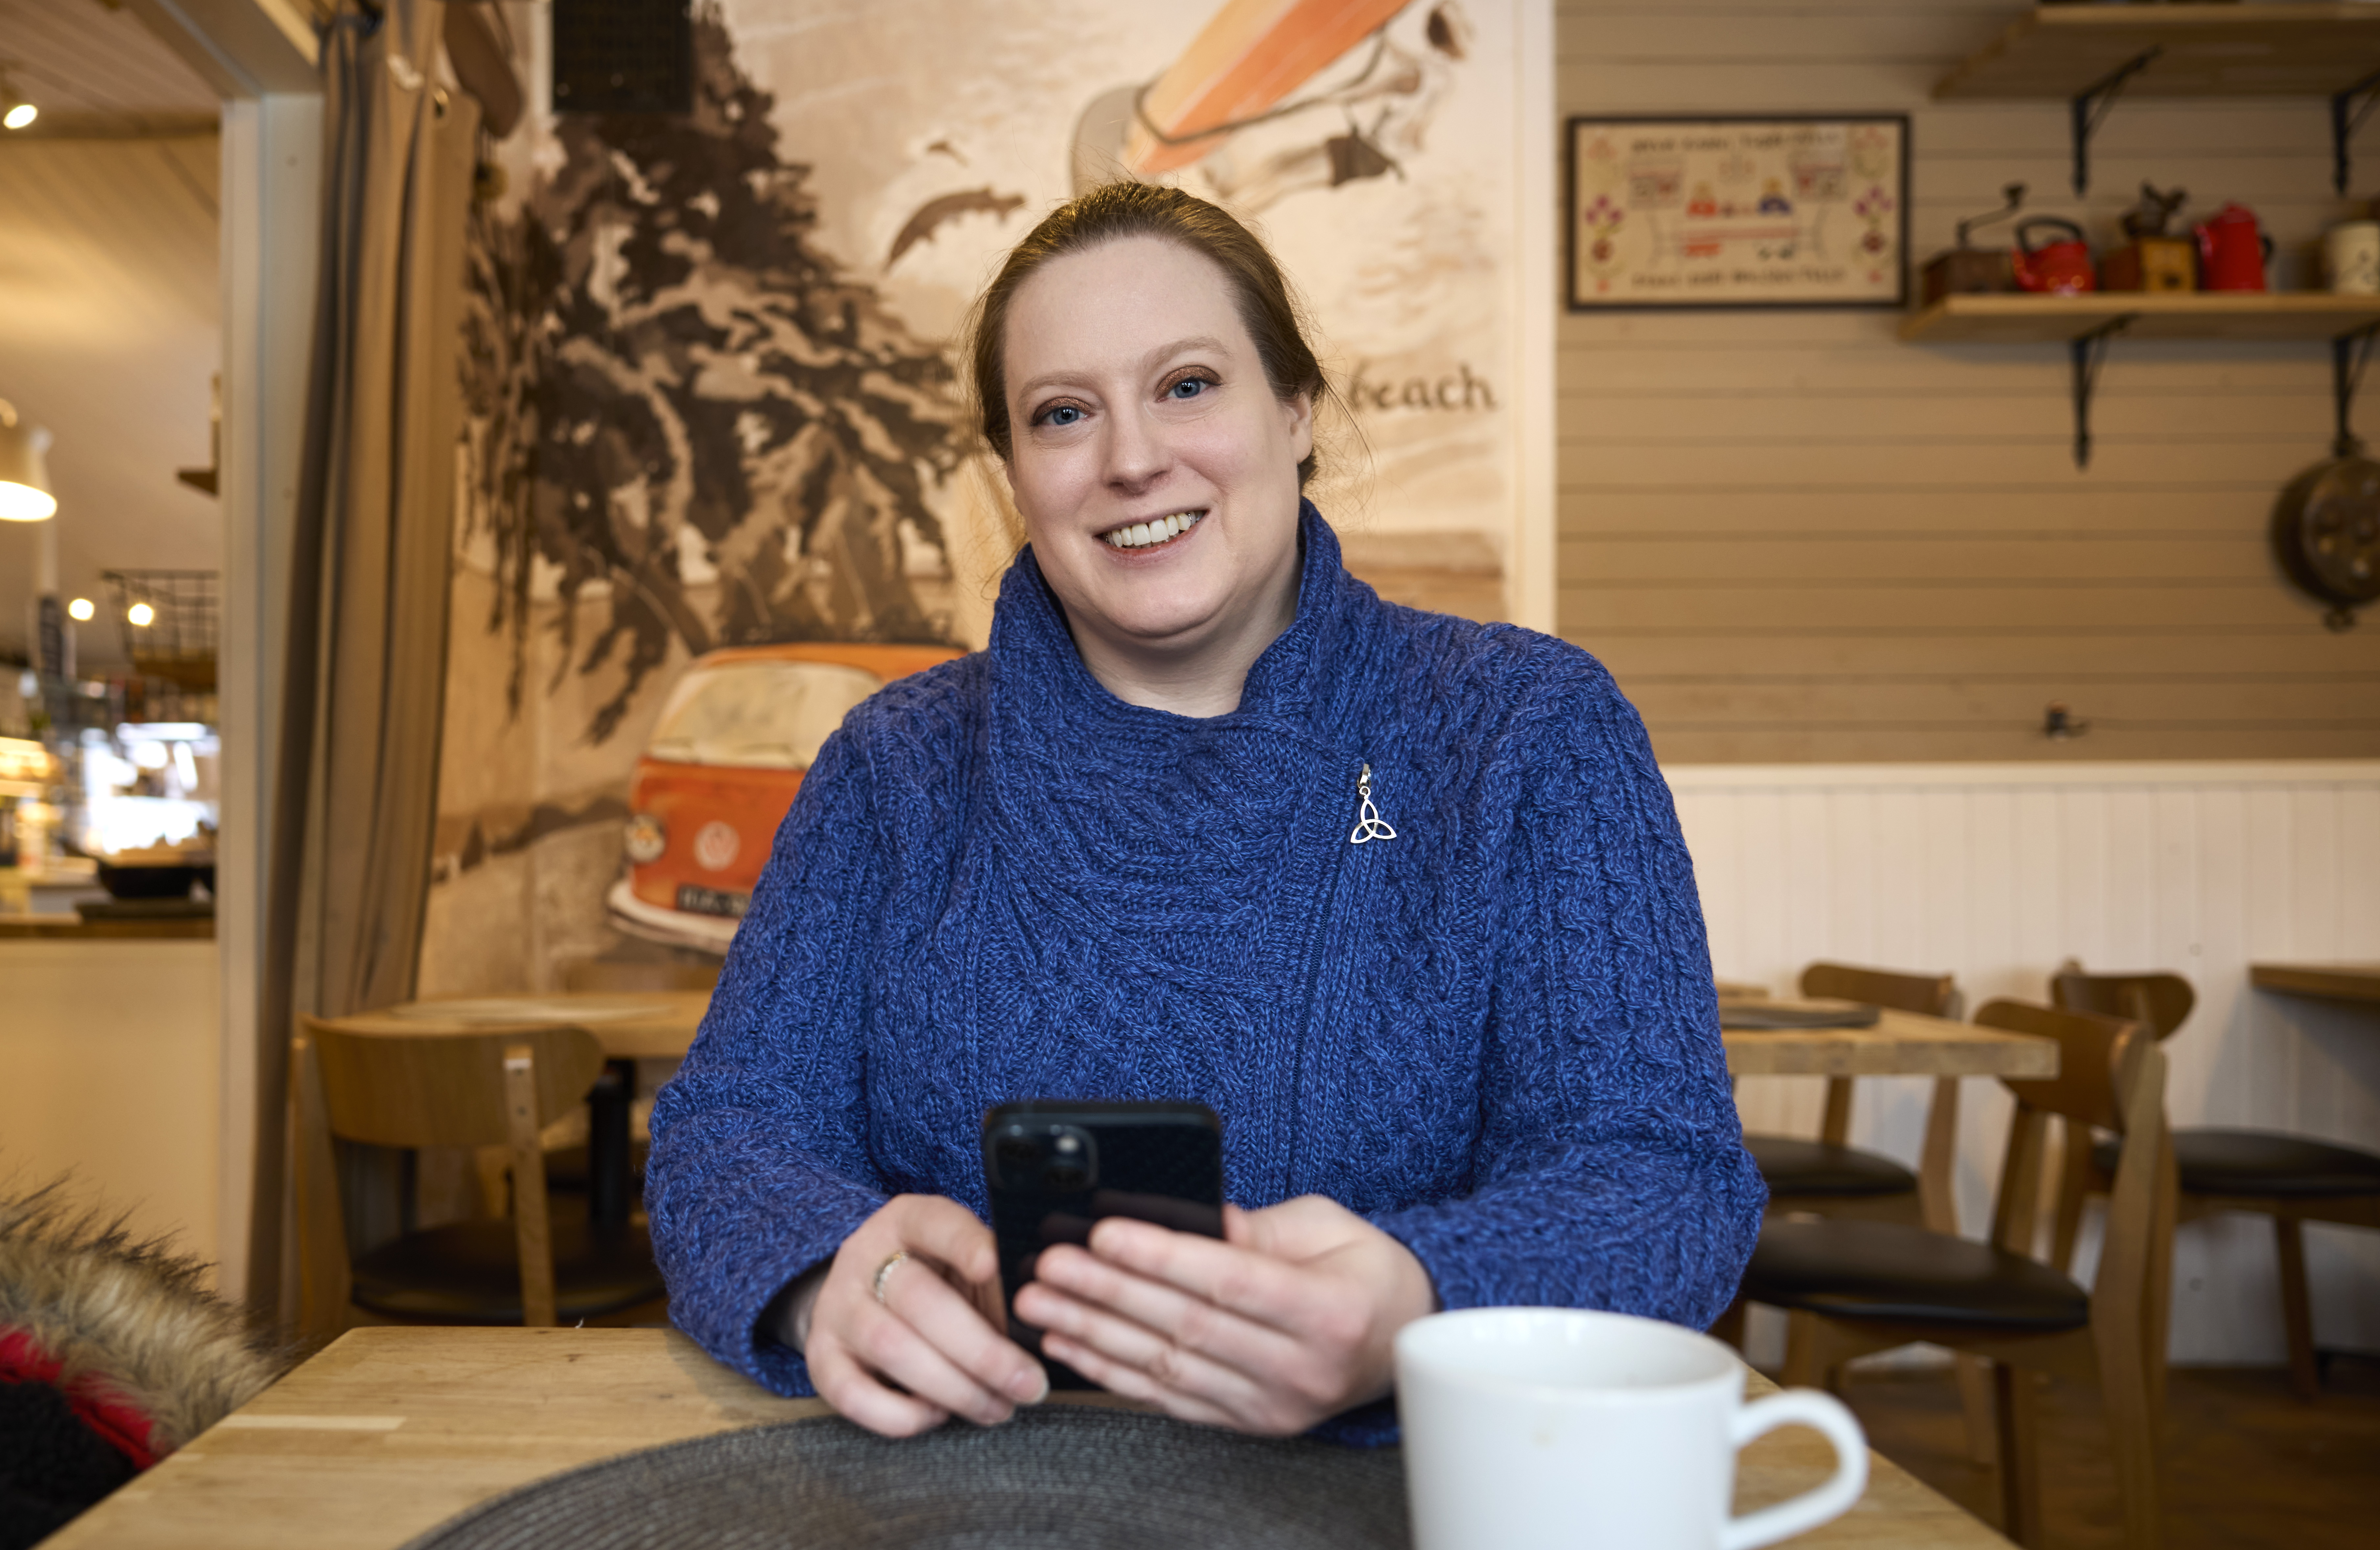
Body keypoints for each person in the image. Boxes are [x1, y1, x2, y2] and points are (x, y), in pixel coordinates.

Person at [646, 181, 1762, 1445]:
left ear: (1294, 409)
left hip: (1403, 1531)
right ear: (1015, 474)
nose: (1131, 458)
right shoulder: (889, 768)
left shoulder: (1529, 731)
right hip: (948, 1537)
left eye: (1187, 385)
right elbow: (724, 1130)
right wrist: (817, 1280)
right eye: (1064, 413)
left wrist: (1420, 1298)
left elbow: (1667, 1177)